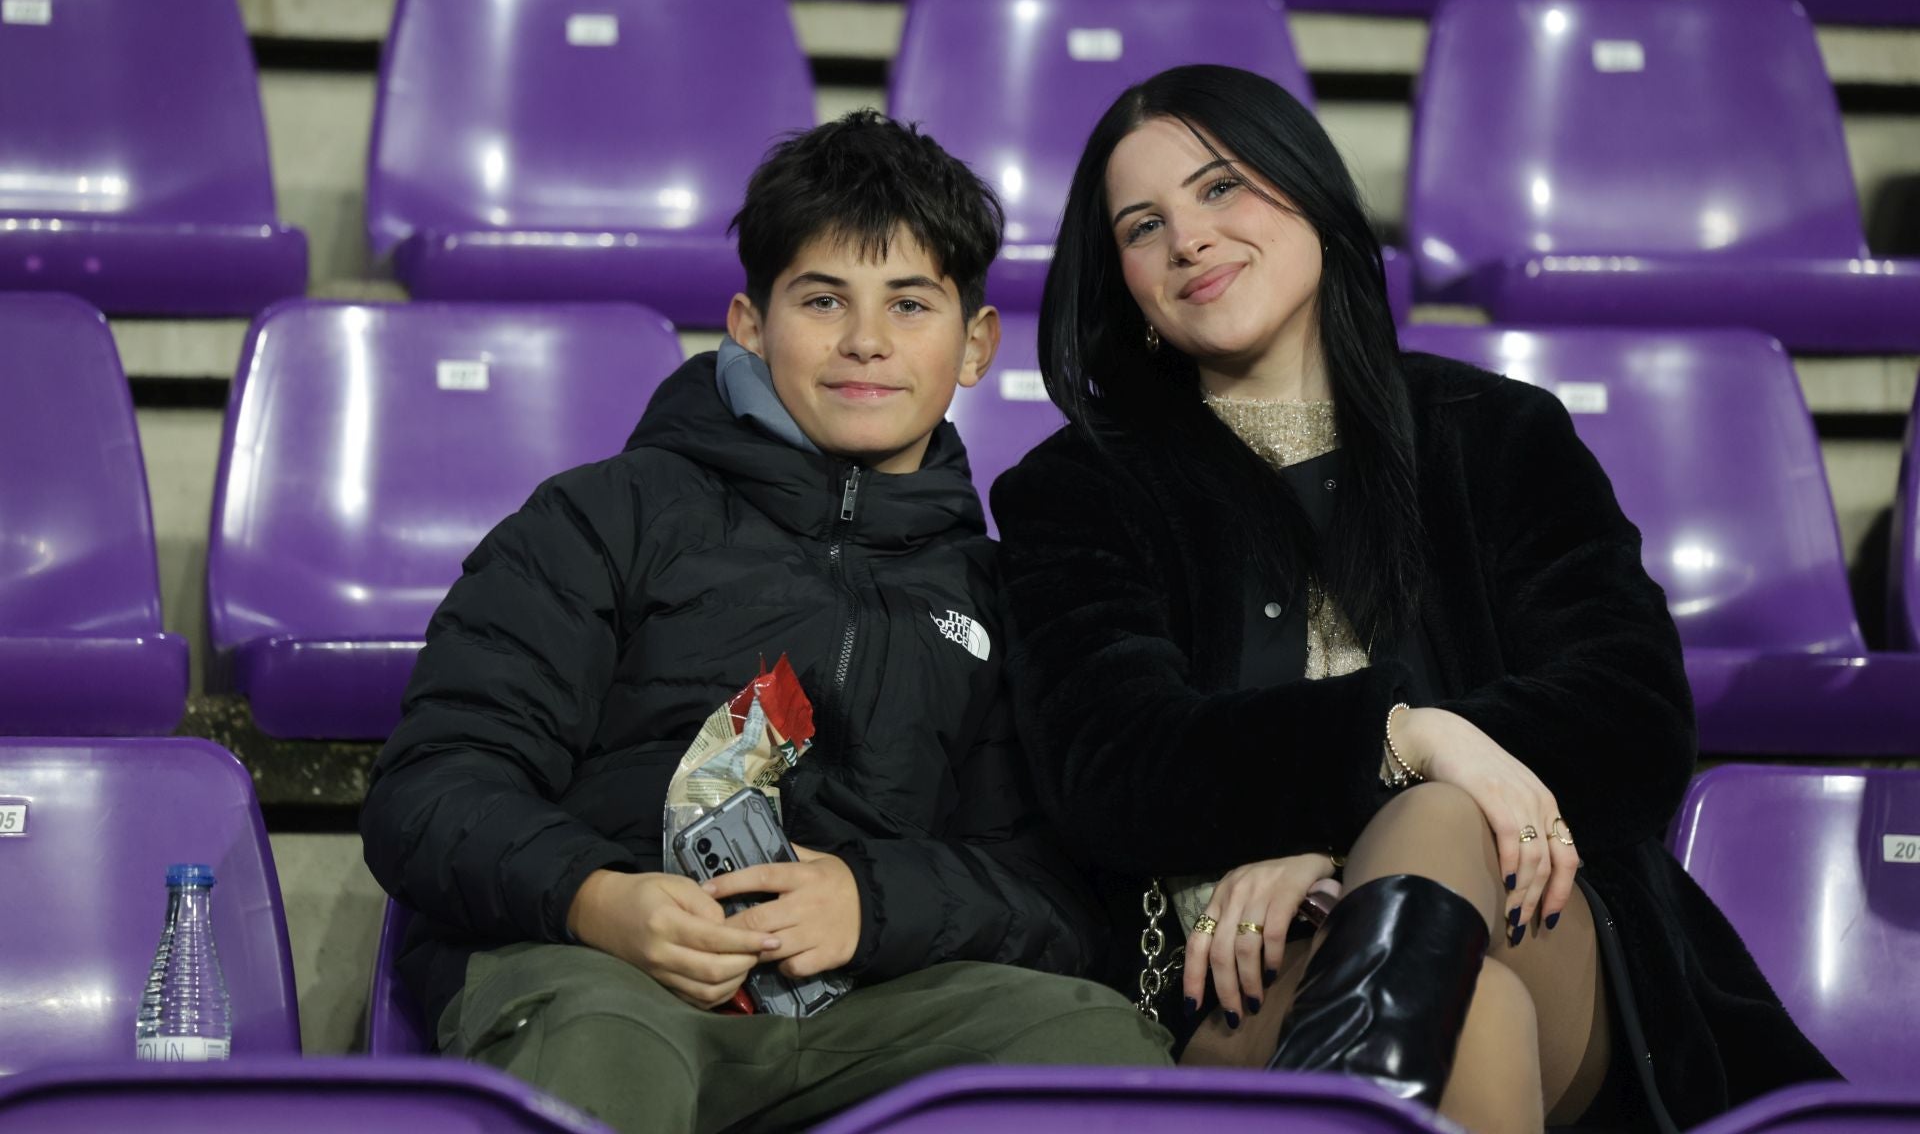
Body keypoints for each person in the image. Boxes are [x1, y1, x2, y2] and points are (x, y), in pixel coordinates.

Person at [990, 65, 1838, 1134]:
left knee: (1439, 817)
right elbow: (1111, 762)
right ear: (1126, 286)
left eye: (1221, 188)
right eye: (1143, 226)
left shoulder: (1498, 434)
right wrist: (1402, 736)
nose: (1189, 240)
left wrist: (1373, 816)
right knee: (1463, 1006)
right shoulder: (1081, 489)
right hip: (1239, 980)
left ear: (1311, 194)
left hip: (1549, 936)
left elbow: (1633, 713)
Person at [361, 111, 1173, 1134]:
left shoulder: (1001, 590)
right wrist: (596, 896)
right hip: (605, 974)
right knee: (607, 1045)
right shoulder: (602, 515)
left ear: (975, 342)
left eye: (910, 303)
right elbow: (431, 788)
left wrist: (869, 901)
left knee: (1095, 1045)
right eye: (823, 298)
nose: (866, 340)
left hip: (877, 1002)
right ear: (749, 320)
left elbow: (1056, 892)